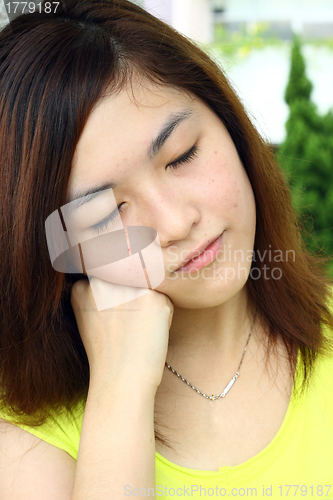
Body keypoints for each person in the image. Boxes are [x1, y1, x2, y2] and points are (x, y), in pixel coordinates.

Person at [0, 0, 332, 498]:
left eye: (182, 156)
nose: (176, 223)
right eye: (107, 213)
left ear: (231, 126)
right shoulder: (24, 440)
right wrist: (121, 387)